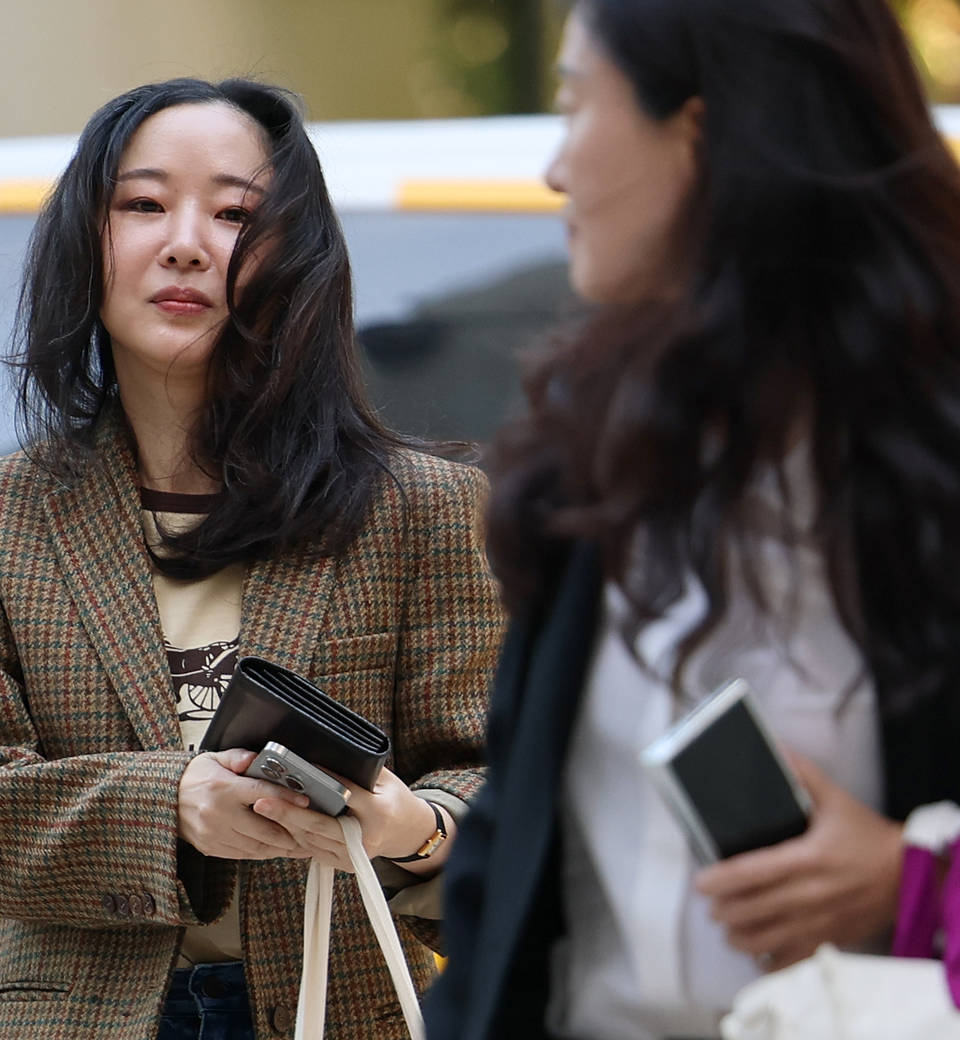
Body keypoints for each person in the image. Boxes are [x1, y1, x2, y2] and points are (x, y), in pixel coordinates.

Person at [0, 78, 501, 1040]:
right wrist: (171, 803)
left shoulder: (418, 510)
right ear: (84, 245)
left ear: (291, 260)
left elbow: (492, 779)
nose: (185, 241)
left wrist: (409, 826)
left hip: (341, 1009)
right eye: (142, 204)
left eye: (235, 214)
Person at [426, 1, 960, 1038]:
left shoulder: (928, 463)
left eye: (576, 103)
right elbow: (504, 859)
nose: (553, 168)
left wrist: (913, 876)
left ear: (702, 135)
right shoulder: (586, 454)